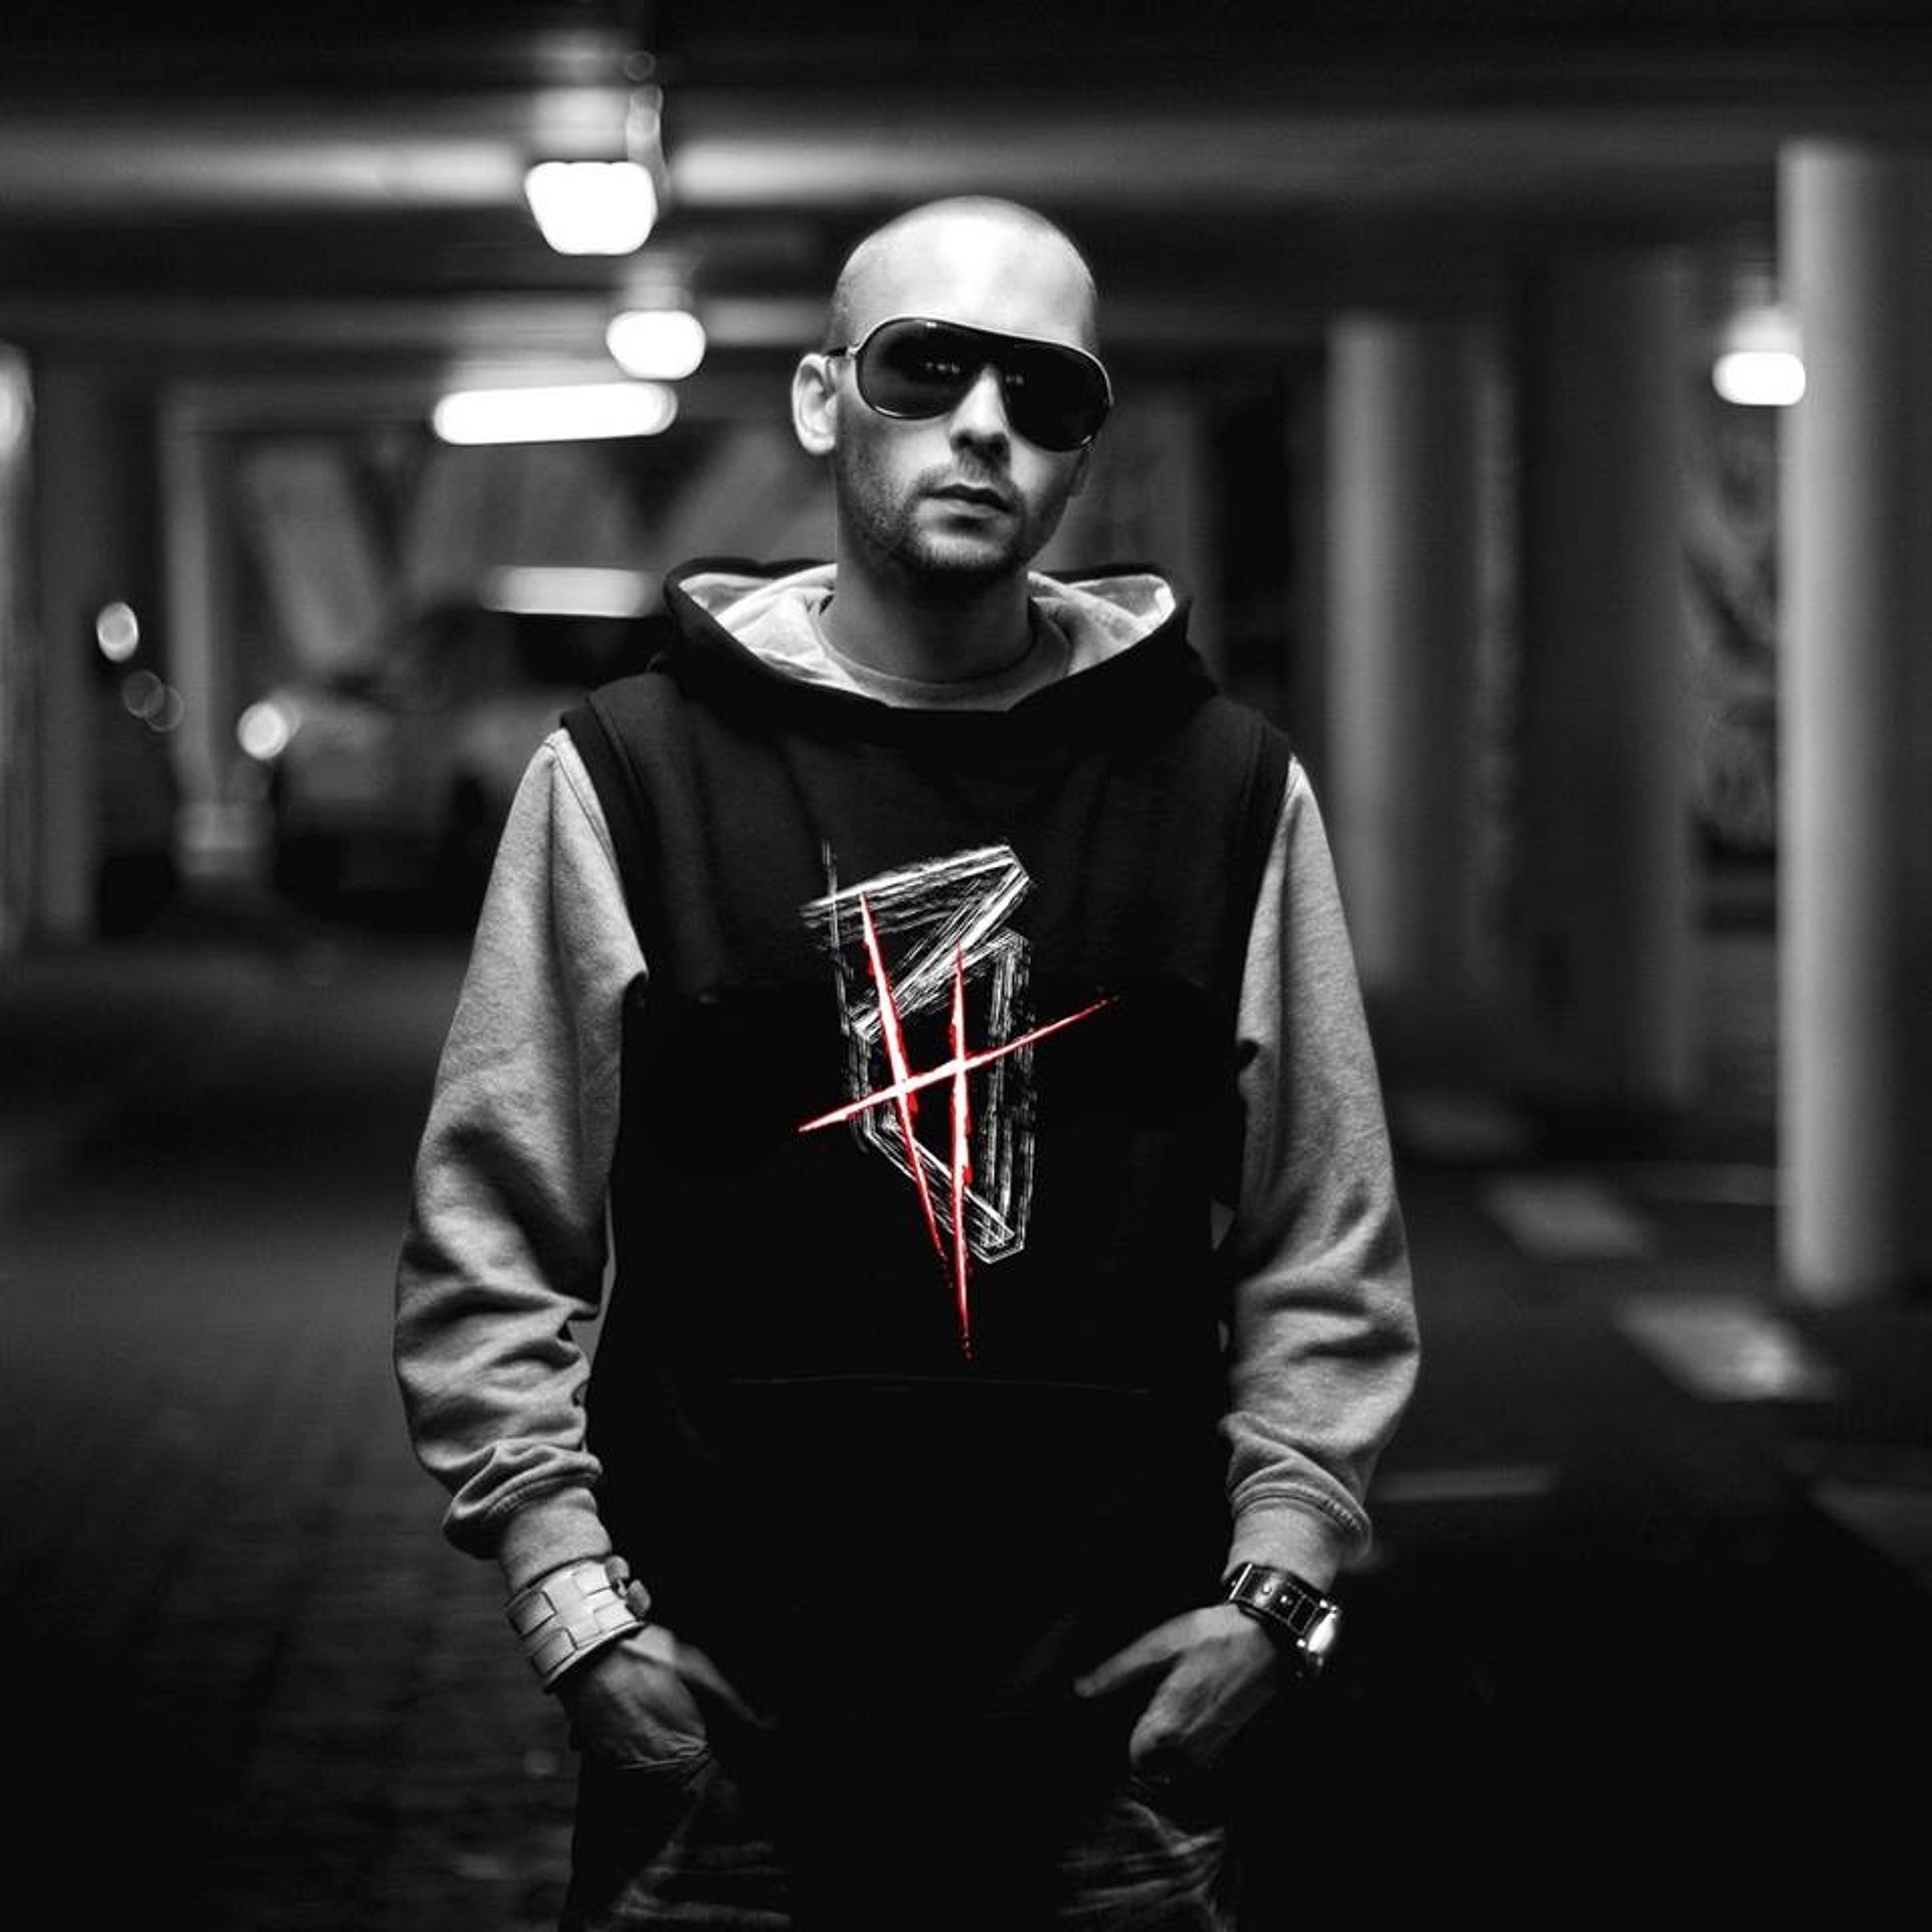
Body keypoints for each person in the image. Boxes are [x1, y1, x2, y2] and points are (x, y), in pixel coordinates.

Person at [395, 196, 1417, 1930]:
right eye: (926, 368)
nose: (985, 425)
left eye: (1047, 389)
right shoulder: (631, 777)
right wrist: (576, 1612)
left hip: (1117, 1746)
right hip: (725, 1739)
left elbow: (1327, 1241)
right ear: (821, 401)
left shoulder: (1226, 788)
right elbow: (492, 1230)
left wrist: (1281, 1603)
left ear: (1085, 444)